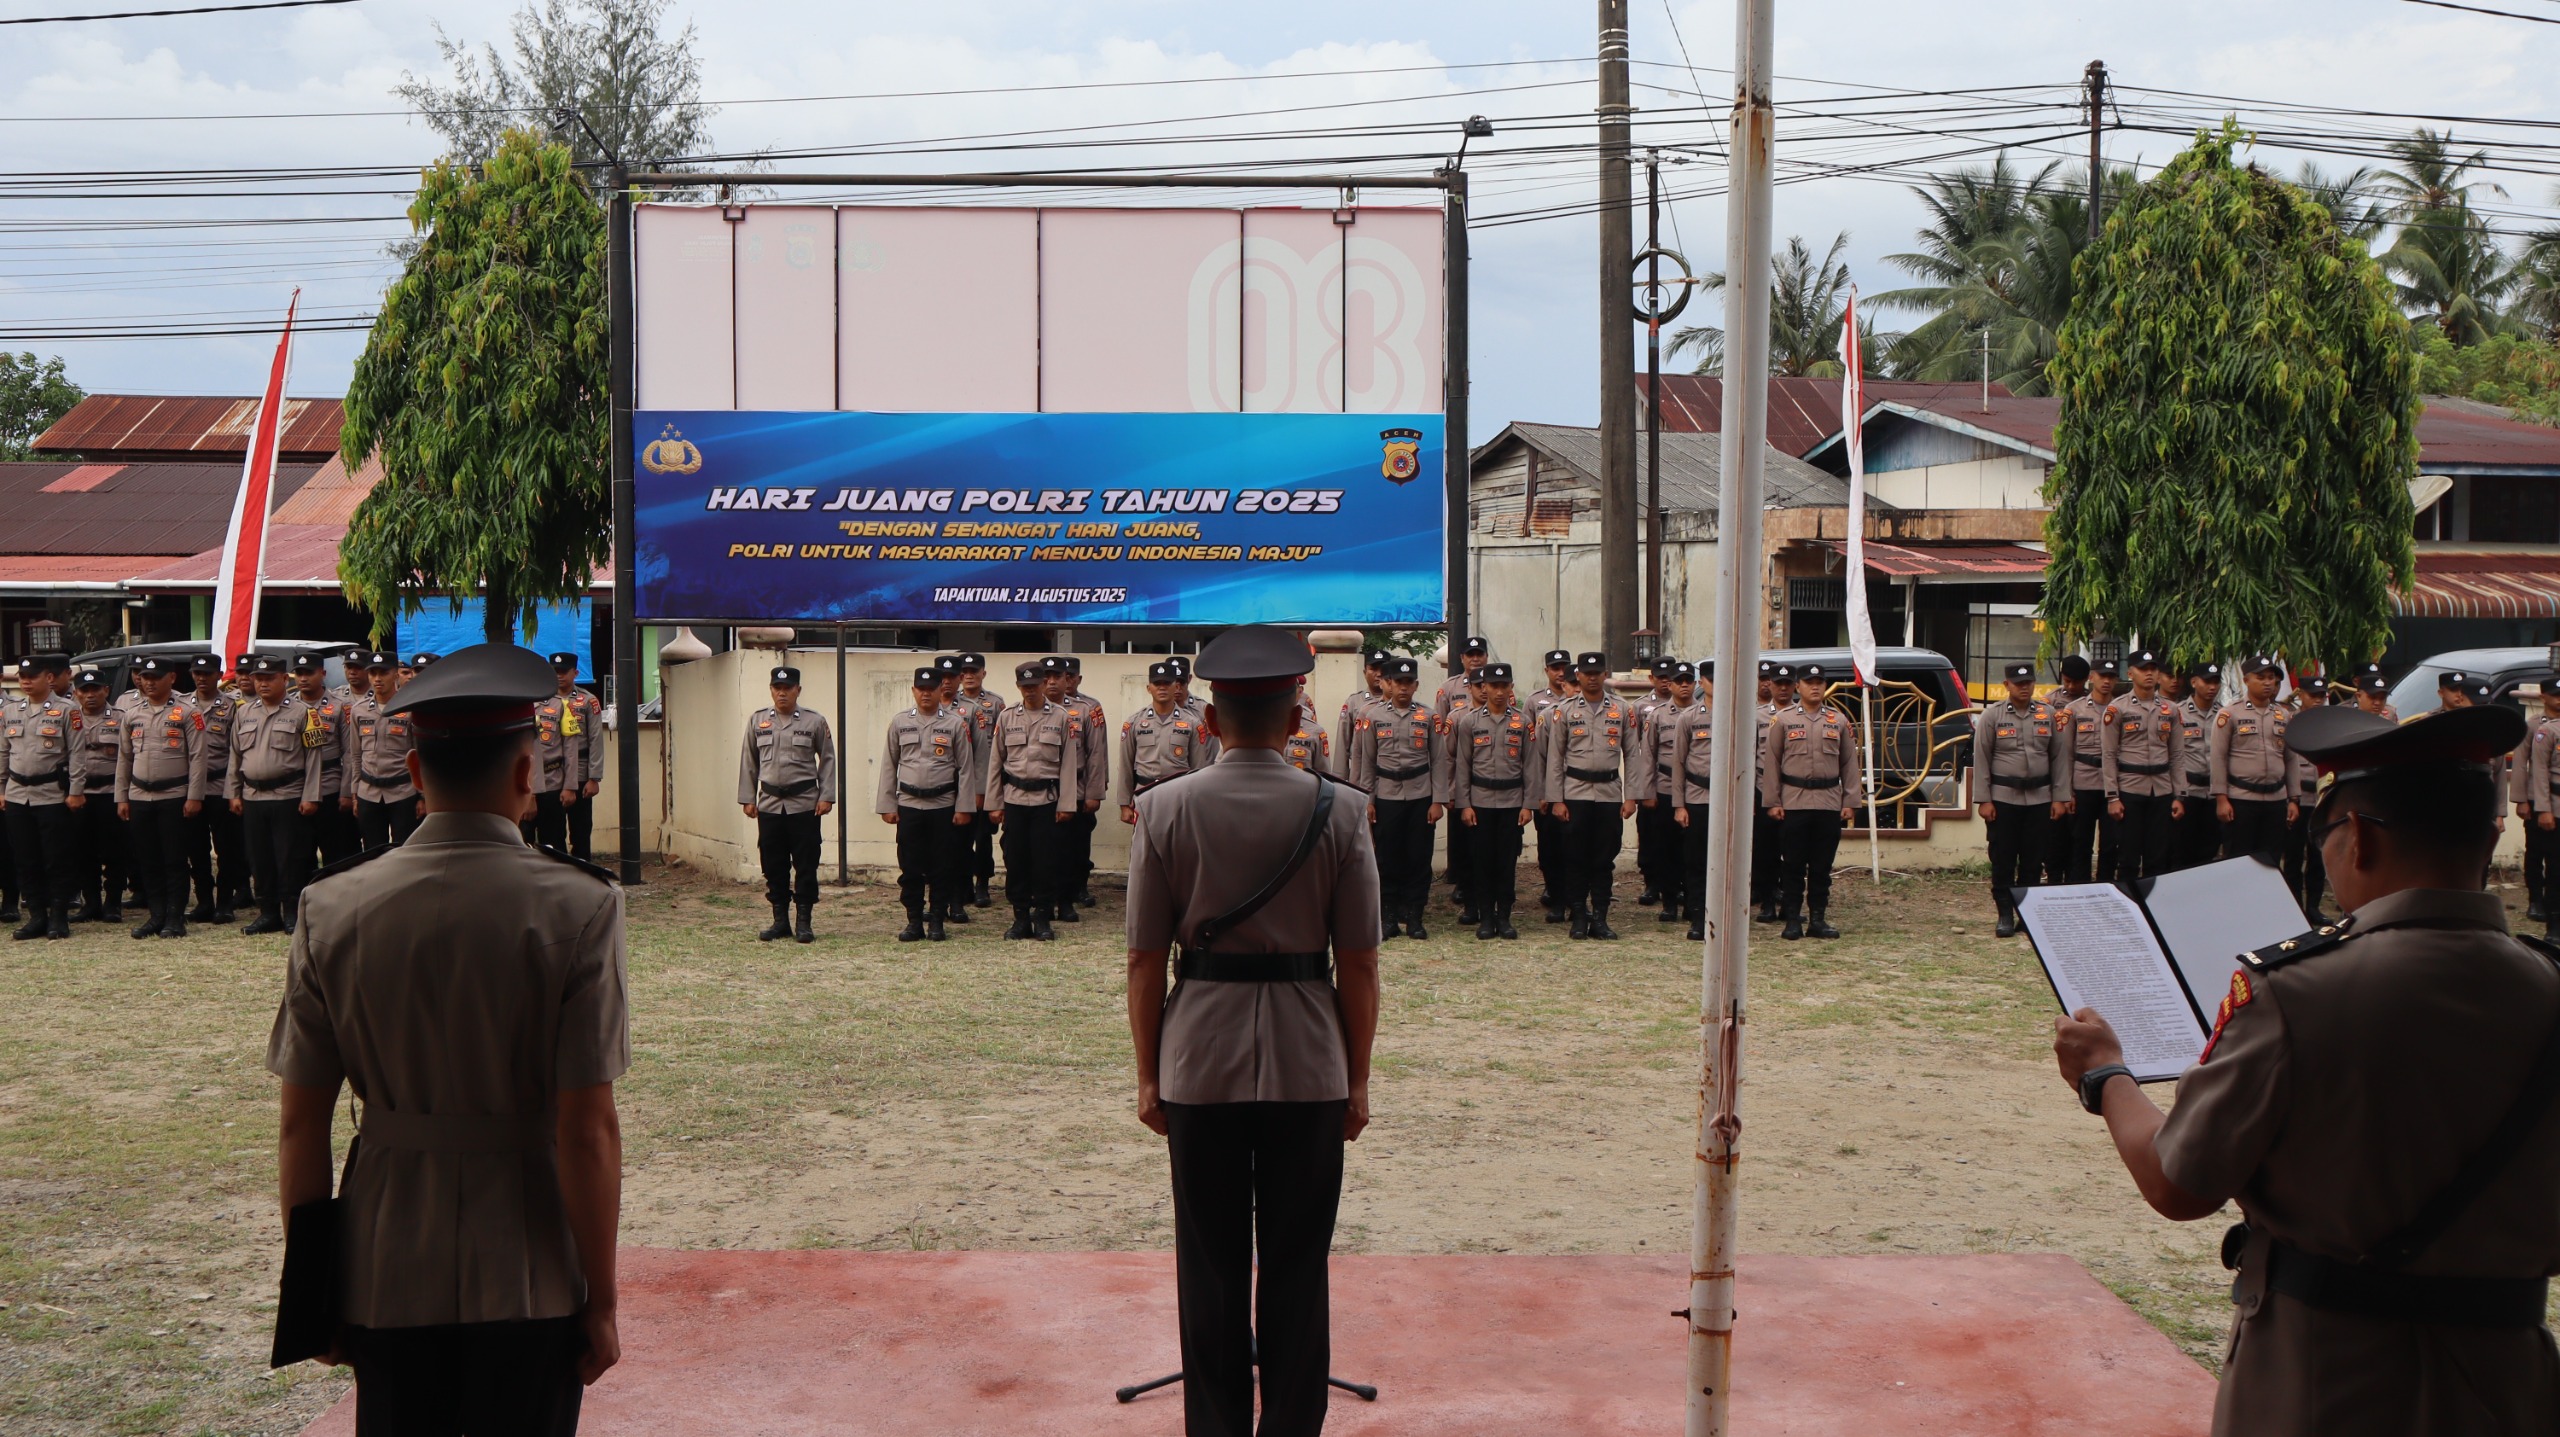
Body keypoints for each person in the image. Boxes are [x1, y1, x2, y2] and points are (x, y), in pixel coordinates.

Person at [2052, 701, 2560, 1437]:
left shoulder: (2297, 992)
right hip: (2509, 1384)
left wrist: (2106, 1073)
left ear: (2355, 839)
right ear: (2491, 833)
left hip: (2326, 1379)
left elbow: (2176, 1181)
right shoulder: (2546, 987)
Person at [267, 642, 628, 1434]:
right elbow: (587, 1129)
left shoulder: (331, 905)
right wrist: (601, 1302)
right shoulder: (580, 905)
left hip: (385, 1259)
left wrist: (312, 1293)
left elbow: (302, 1123)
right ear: (528, 772)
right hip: (529, 1263)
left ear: (416, 772)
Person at [1122, 624, 1380, 1437]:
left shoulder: (1162, 808)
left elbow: (1142, 962)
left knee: (1210, 1265)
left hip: (1198, 1060)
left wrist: (1147, 1073)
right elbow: (1361, 964)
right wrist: (1358, 1075)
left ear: (1209, 720)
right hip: (1311, 1062)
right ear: (1299, 710)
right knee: (1300, 1264)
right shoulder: (1344, 811)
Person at [877, 665, 978, 943]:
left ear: (939, 690)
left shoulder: (955, 723)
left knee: (942, 866)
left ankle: (936, 920)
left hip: (943, 805)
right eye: (920, 689)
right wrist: (888, 805)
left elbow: (966, 768)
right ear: (913, 691)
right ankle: (913, 921)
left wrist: (964, 807)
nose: (925, 694)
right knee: (910, 866)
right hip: (909, 804)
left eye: (931, 689)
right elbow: (889, 764)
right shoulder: (900, 723)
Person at [736, 665, 836, 945]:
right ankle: (780, 920)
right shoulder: (758, 721)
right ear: (771, 690)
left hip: (804, 804)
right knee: (773, 864)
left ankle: (804, 922)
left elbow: (827, 759)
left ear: (798, 690)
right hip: (769, 805)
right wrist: (747, 797)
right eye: (777, 688)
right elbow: (749, 760)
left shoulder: (814, 721)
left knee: (806, 864)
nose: (782, 693)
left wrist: (826, 795)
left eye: (788, 688)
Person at [983, 660, 1080, 941]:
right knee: (1016, 860)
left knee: (1046, 861)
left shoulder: (1061, 717)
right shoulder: (1007, 717)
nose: (1030, 691)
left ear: (1042, 685)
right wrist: (994, 803)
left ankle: (1042, 918)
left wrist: (1066, 804)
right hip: (1014, 800)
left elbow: (1068, 763)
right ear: (1018, 687)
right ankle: (1020, 917)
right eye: (1024, 687)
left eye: (1034, 686)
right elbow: (996, 762)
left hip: (1046, 800)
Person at [1541, 651, 1635, 940]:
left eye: (1597, 673)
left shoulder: (1622, 709)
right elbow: (1555, 758)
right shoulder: (1565, 711)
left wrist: (1631, 796)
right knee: (1575, 857)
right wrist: (1556, 799)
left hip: (1608, 794)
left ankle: (1601, 918)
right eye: (1587, 673)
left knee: (1604, 859)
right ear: (1578, 676)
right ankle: (1579, 917)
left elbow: (1632, 755)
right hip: (1575, 794)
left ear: (1605, 675)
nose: (1592, 678)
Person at [227, 655, 322, 936]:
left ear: (284, 679)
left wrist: (311, 796)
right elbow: (235, 755)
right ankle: (267, 912)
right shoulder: (244, 712)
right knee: (260, 858)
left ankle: (292, 912)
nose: (262, 683)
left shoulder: (304, 712)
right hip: (253, 796)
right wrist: (233, 792)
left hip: (288, 796)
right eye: (258, 678)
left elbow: (314, 758)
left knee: (290, 858)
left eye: (269, 678)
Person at [1349, 656, 1441, 940]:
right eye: (1397, 682)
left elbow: (1438, 761)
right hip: (1386, 794)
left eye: (1408, 682)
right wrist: (1368, 801)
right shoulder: (1372, 716)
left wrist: (1438, 800)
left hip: (1420, 795)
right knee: (1386, 857)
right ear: (1388, 683)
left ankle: (1414, 916)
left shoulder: (1428, 717)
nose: (1402, 687)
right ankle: (1387, 916)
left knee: (1418, 856)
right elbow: (1366, 763)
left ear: (1415, 685)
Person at [1973, 661, 2067, 937]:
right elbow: (1982, 759)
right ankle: (2004, 913)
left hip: (2039, 798)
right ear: (2007, 685)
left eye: (2028, 683)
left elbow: (2059, 758)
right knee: (2003, 858)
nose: (2024, 688)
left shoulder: (2047, 714)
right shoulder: (1993, 715)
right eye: (2018, 683)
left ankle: (2027, 914)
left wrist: (2059, 797)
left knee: (2033, 859)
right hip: (2003, 799)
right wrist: (1984, 800)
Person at [1446, 661, 1537, 941]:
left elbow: (1531, 766)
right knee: (1481, 861)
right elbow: (1462, 765)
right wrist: (1465, 805)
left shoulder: (1523, 722)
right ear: (1483, 687)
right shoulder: (1469, 722)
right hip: (1480, 802)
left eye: (1503, 686)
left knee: (1506, 863)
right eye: (1493, 686)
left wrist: (1527, 805)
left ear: (1511, 687)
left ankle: (1504, 917)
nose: (1498, 692)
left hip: (1511, 802)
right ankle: (1485, 917)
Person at [115, 656, 201, 940]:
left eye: (156, 677)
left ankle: (175, 918)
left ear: (172, 679)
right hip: (140, 795)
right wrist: (122, 797)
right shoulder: (132, 714)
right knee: (148, 859)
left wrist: (194, 796)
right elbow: (124, 758)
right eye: (145, 677)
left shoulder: (188, 713)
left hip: (174, 795)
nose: (148, 682)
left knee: (174, 859)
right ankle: (156, 915)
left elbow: (198, 758)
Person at [1, 654, 82, 940]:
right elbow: (4, 753)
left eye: (32, 677)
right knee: (25, 858)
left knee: (55, 857)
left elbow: (77, 755)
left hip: (51, 795)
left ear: (48, 678)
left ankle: (59, 916)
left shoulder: (67, 710)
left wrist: (75, 791)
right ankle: (36, 915)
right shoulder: (11, 710)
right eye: (22, 677)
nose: (25, 681)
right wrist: (2, 789)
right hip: (17, 795)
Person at [2103, 649, 2179, 885]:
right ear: (2130, 673)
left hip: (2162, 789)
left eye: (2153, 670)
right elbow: (2109, 754)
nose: (2149, 674)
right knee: (2128, 856)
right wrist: (2112, 797)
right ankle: (2128, 906)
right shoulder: (2118, 708)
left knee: (2157, 855)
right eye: (2143, 669)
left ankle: (2152, 909)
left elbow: (2177, 754)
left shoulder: (2171, 709)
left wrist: (2180, 795)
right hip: (2130, 788)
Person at [186, 653, 250, 922]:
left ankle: (225, 902)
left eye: (208, 674)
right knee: (195, 848)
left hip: (221, 785)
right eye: (197, 674)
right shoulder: (180, 705)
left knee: (227, 848)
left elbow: (237, 751)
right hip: (191, 789)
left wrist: (235, 789)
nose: (202, 678)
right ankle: (203, 900)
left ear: (218, 675)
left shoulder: (233, 706)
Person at [1635, 661, 1697, 924]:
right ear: (1669, 685)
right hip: (1664, 789)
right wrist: (1647, 791)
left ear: (1695, 684)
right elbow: (1647, 756)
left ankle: (1692, 902)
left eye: (1688, 680)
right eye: (1678, 681)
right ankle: (1669, 902)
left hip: (1695, 792)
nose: (1684, 685)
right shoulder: (1656, 715)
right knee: (1665, 849)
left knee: (1692, 850)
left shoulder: (1706, 713)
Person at [1119, 661, 1219, 819]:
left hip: (1179, 796)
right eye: (1157, 683)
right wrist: (1124, 805)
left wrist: (1197, 801)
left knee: (1180, 842)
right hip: (1145, 794)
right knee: (1144, 843)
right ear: (1148, 688)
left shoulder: (1193, 723)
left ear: (1176, 687)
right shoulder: (1134, 722)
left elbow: (1198, 768)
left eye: (1167, 683)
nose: (1162, 688)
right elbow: (1126, 765)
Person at [68, 667, 128, 924]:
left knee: (114, 850)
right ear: (76, 693)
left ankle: (113, 903)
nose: (90, 695)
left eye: (95, 689)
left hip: (109, 793)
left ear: (106, 690)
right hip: (79, 794)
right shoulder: (67, 718)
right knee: (82, 851)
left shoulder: (122, 717)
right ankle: (90, 902)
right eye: (84, 690)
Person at [531, 654, 604, 862]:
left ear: (576, 673)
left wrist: (594, 777)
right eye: (555, 671)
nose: (559, 676)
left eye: (564, 672)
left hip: (580, 769)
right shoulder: (541, 701)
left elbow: (596, 740)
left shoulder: (587, 700)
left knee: (580, 829)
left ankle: (583, 868)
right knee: (552, 830)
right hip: (551, 772)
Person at [1051, 656, 1108, 918]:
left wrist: (1094, 792)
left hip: (1078, 785)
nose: (1066, 680)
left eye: (1069, 676)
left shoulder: (1088, 708)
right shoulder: (1028, 708)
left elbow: (1097, 753)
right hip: (1044, 788)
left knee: (1077, 842)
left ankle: (1078, 888)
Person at [291, 655, 359, 871]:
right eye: (299, 673)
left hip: (329, 784)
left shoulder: (340, 707)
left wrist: (346, 791)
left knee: (335, 852)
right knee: (300, 852)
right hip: (296, 786)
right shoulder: (288, 705)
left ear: (323, 674)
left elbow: (350, 752)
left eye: (309, 673)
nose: (303, 678)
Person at [350, 652, 423, 850]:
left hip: (402, 792)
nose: (377, 679)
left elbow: (419, 755)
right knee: (373, 851)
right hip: (369, 793)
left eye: (383, 673)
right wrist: (354, 793)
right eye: (372, 673)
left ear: (396, 675)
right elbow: (355, 755)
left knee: (404, 850)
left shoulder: (410, 709)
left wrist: (421, 797)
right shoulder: (359, 710)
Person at [2060, 658, 2123, 885]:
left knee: (2110, 843)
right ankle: (2079, 889)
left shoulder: (2121, 708)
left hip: (2112, 786)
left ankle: (2107, 888)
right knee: (2080, 842)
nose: (2106, 681)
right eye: (2102, 676)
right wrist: (2068, 792)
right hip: (2083, 782)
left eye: (2111, 677)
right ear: (2091, 678)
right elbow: (2066, 754)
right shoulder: (2073, 710)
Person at [1668, 661, 1718, 942]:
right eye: (1711, 680)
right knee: (1697, 863)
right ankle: (1699, 919)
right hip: (1698, 798)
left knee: (1728, 864)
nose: (1715, 684)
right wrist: (1679, 805)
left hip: (1728, 802)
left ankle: (1727, 918)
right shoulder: (1688, 718)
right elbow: (1678, 763)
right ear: (1702, 683)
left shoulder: (1738, 715)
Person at [1527, 648, 1577, 922]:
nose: (1560, 673)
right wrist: (1540, 792)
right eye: (1555, 668)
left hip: (1578, 787)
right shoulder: (1537, 704)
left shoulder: (1582, 704)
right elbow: (1534, 752)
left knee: (1577, 847)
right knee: (1550, 847)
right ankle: (1555, 895)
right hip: (1547, 786)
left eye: (1565, 668)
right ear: (1546, 670)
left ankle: (1575, 899)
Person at [1631, 657, 1682, 914]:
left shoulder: (1689, 705)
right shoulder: (1641, 707)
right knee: (1650, 834)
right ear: (1651, 679)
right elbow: (1640, 750)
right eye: (1659, 677)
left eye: (1667, 677)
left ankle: (1677, 885)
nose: (1664, 681)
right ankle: (1651, 883)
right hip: (1654, 779)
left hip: (1683, 784)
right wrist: (1642, 788)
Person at [952, 652, 999, 911]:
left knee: (983, 837)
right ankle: (964, 884)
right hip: (957, 782)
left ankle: (982, 882)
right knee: (960, 838)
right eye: (965, 672)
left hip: (982, 781)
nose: (969, 675)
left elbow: (991, 750)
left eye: (974, 671)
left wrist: (983, 788)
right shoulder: (948, 702)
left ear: (983, 673)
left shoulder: (995, 703)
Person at [2042, 655, 2093, 885]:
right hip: (2053, 776)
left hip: (2079, 775)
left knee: (2078, 836)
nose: (2072, 686)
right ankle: (2053, 879)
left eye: (2077, 682)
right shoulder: (2050, 701)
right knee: (2054, 836)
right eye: (2067, 680)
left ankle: (2075, 881)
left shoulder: (2089, 701)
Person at [2172, 663, 2225, 871]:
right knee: (2181, 850)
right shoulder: (2178, 712)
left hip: (2213, 793)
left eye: (2216, 682)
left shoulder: (2224, 714)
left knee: (2208, 851)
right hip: (2188, 792)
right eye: (2207, 681)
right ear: (2194, 682)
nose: (2212, 687)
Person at [2523, 685, 2560, 933]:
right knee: (2548, 861)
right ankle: (2551, 920)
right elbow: (2538, 772)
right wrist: (2541, 807)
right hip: (2553, 805)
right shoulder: (2544, 730)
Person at [1751, 660, 1784, 923]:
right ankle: (1767, 901)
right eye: (1775, 682)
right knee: (1765, 850)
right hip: (1762, 790)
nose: (1780, 688)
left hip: (1796, 792)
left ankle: (1790, 903)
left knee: (1794, 851)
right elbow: (1749, 757)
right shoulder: (1756, 716)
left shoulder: (1800, 713)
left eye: (1787, 684)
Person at [1433, 637, 1489, 716]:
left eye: (1479, 655)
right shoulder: (1448, 687)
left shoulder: (1499, 686)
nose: (1475, 659)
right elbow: (1439, 722)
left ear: (1486, 656)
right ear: (1462, 658)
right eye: (1470, 655)